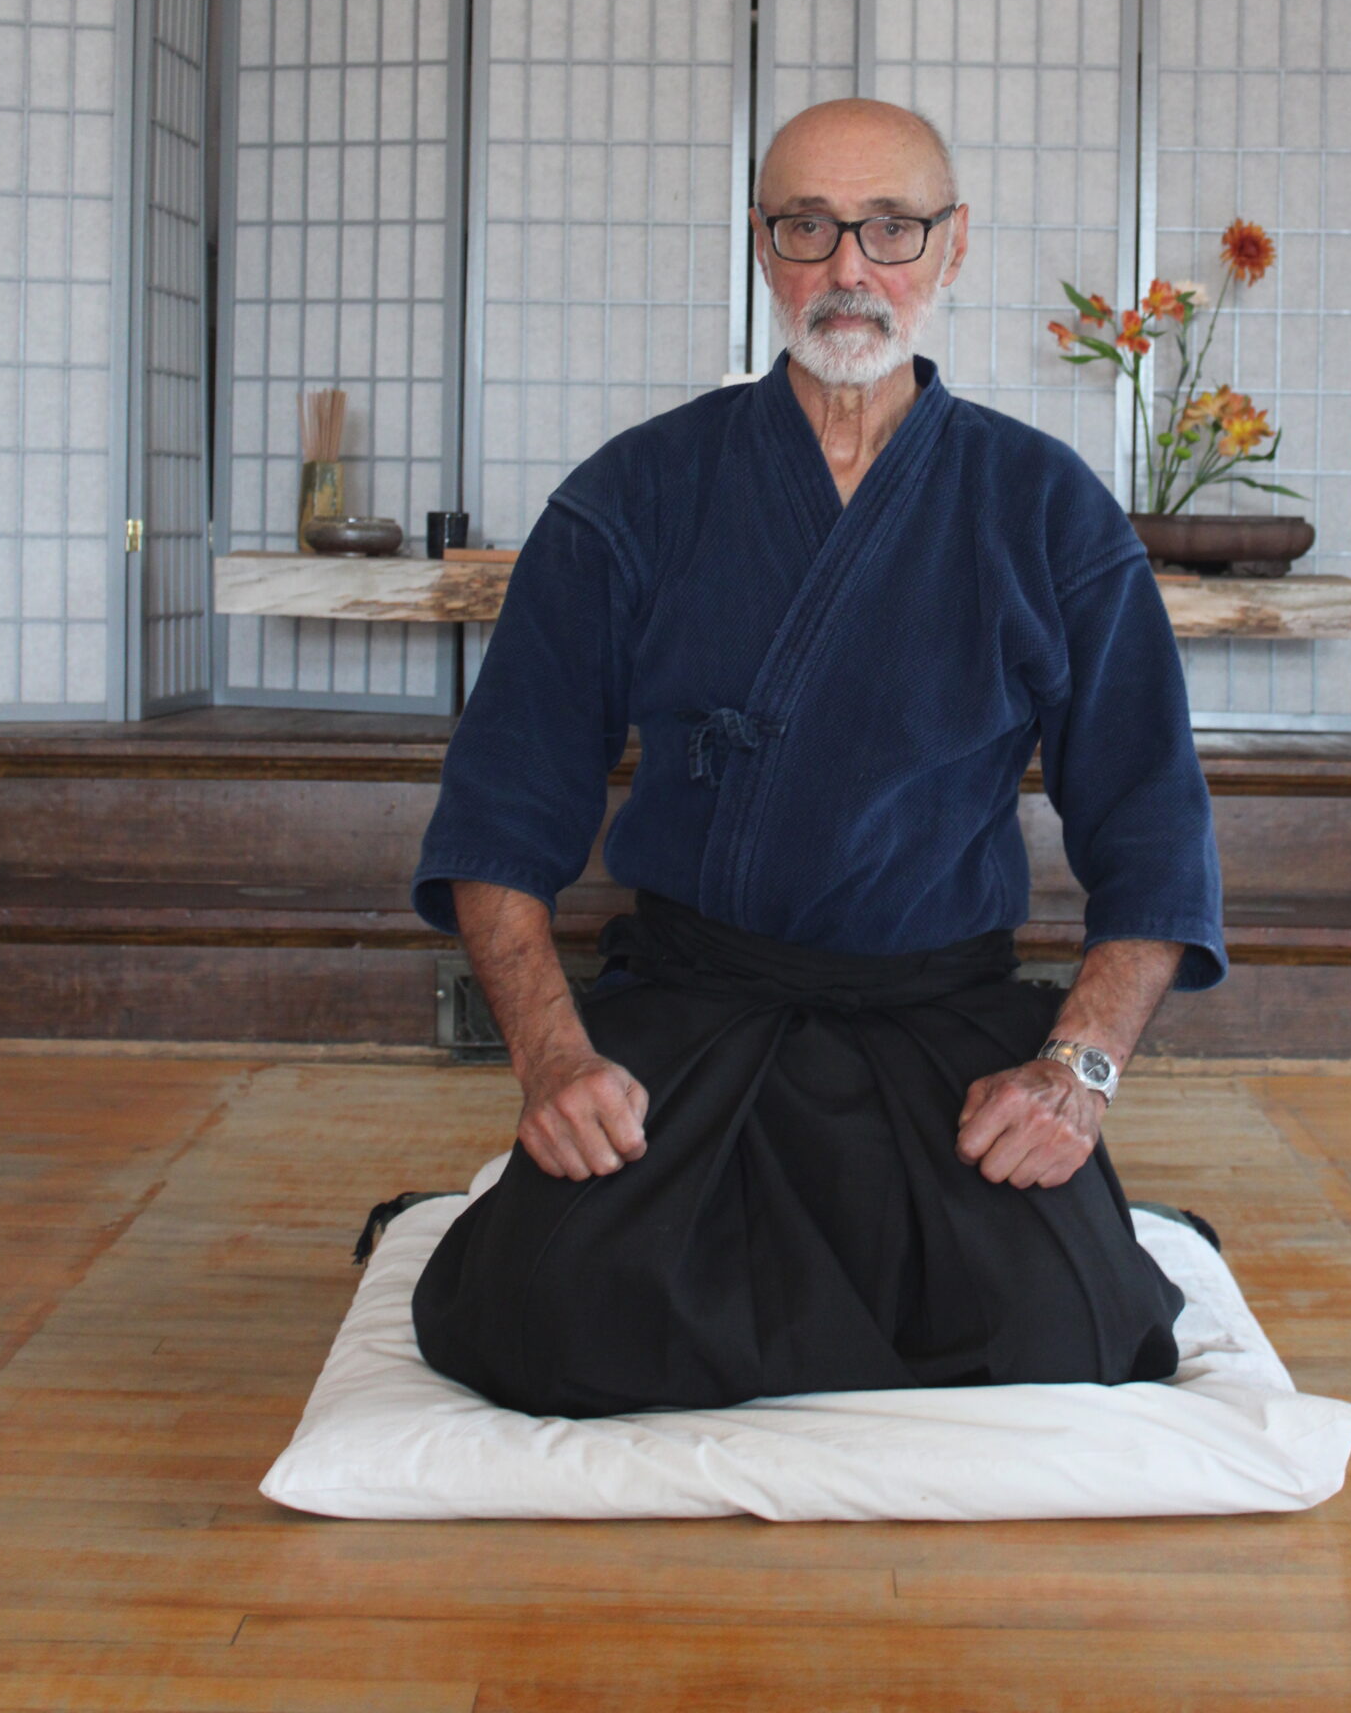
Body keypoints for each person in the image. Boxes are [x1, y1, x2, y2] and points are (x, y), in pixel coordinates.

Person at [407, 97, 1226, 1420]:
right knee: (547, 1329)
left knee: (1061, 1332)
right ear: (762, 246)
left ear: (952, 249)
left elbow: (1155, 835)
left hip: (940, 1029)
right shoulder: (633, 496)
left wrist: (1074, 1072)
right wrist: (554, 1059)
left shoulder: (1043, 506)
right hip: (693, 1008)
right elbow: (501, 816)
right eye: (808, 226)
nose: (850, 269)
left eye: (891, 227)